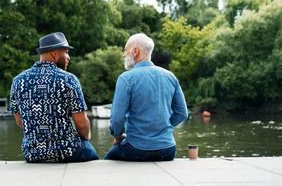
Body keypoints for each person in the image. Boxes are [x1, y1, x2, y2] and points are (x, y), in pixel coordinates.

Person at [10, 32, 99, 163]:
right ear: (54, 53)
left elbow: (19, 121)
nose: (68, 57)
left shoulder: (18, 81)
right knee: (89, 149)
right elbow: (81, 123)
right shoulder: (69, 80)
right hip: (68, 151)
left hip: (32, 154)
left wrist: (41, 134)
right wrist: (86, 137)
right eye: (66, 52)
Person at [104, 33, 188, 161]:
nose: (124, 55)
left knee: (108, 159)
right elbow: (182, 113)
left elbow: (117, 119)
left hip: (136, 149)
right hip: (168, 149)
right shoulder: (170, 77)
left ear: (135, 51)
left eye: (126, 50)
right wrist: (164, 127)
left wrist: (117, 136)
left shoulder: (126, 78)